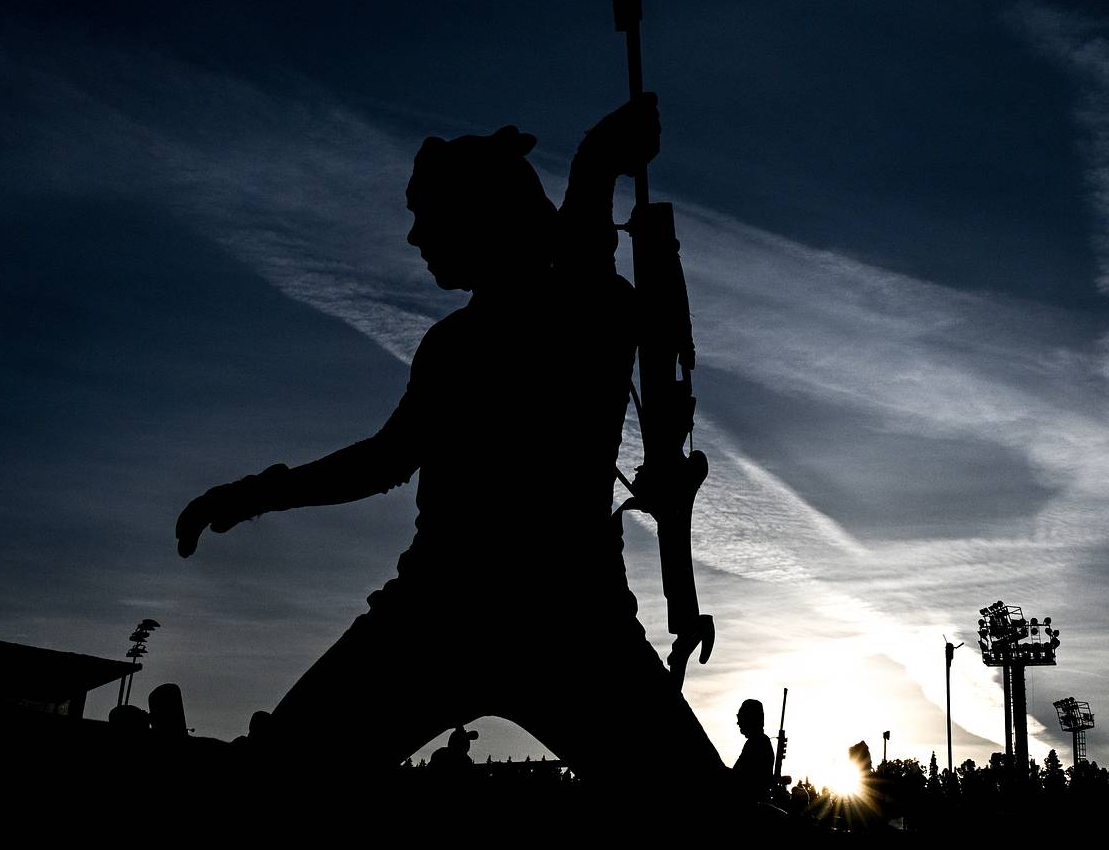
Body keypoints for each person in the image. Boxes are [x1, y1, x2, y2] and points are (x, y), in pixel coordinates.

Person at [175, 96, 725, 789]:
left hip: (538, 617)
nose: (414, 236)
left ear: (480, 214)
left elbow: (580, 271)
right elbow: (385, 459)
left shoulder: (589, 309)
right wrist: (257, 494)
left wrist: (595, 165)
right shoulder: (459, 341)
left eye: (426, 214)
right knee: (279, 776)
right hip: (475, 612)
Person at [732, 699, 774, 803]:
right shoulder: (756, 742)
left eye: (741, 718)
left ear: (750, 719)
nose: (738, 723)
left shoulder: (757, 743)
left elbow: (739, 778)